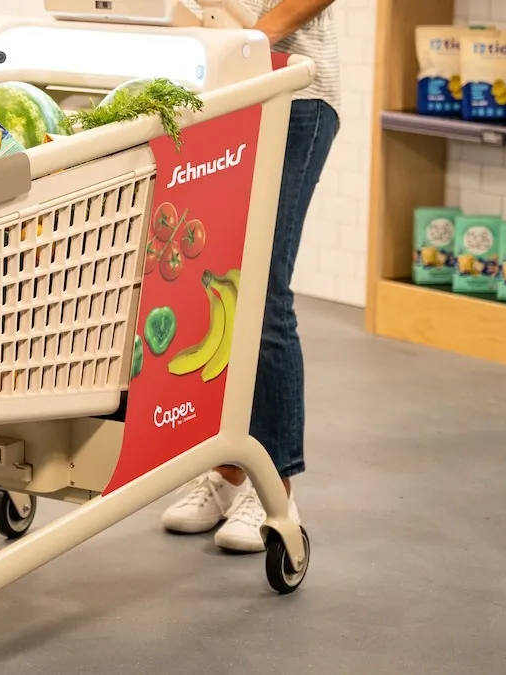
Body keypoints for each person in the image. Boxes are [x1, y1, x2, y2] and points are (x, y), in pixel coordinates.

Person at [160, 0, 341, 552]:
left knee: (262, 291)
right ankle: (226, 473)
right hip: (211, 91)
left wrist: (258, 40)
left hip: (291, 89)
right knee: (212, 283)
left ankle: (274, 489)